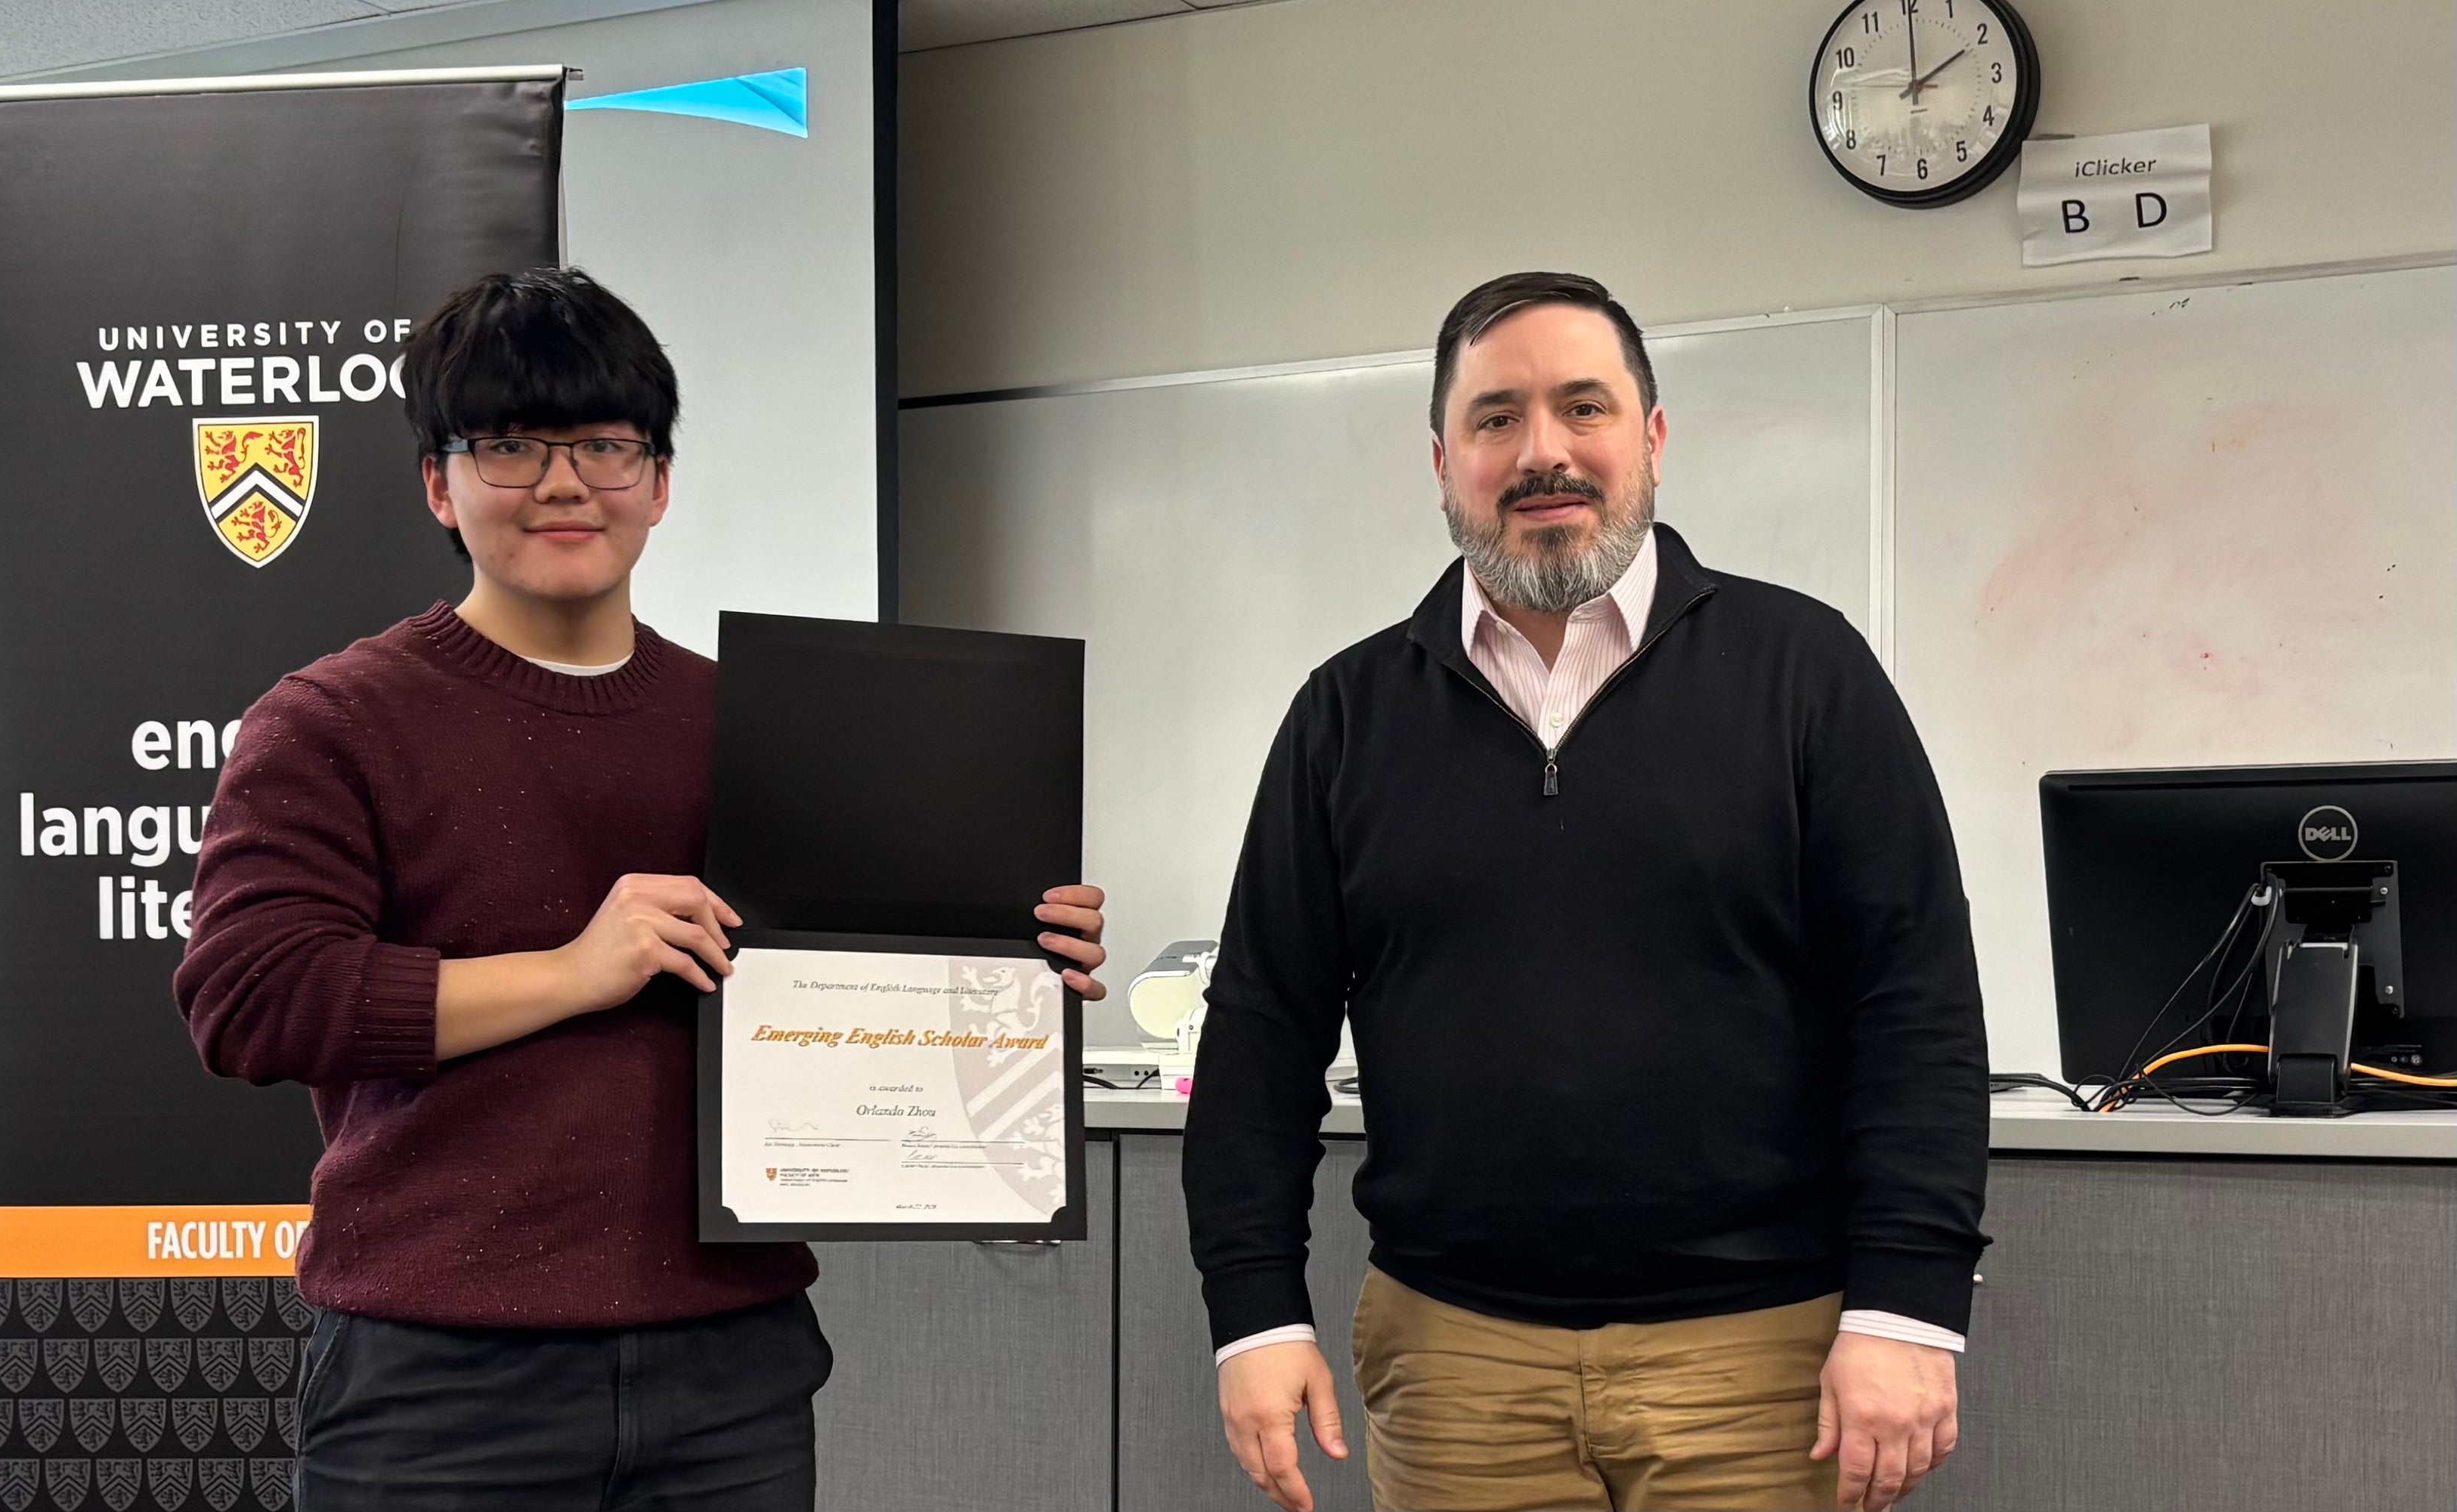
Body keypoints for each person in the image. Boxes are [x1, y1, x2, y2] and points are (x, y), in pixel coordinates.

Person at [173, 267, 1109, 1510]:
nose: (565, 483)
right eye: (510, 444)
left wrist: (1004, 960)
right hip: (440, 1374)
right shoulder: (334, 717)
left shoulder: (763, 723)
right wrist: (571, 970)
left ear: (658, 481)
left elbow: (841, 991)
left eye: (607, 445)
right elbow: (252, 1001)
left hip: (730, 1364)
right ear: (437, 484)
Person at [1184, 271, 1987, 1512]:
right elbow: (1260, 1032)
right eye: (1495, 418)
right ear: (1442, 458)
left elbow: (1914, 1001)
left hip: (1763, 1359)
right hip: (1452, 1361)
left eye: (1582, 408)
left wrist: (1908, 1305)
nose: (1542, 451)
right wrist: (1252, 1314)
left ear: (1652, 439)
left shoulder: (1804, 671)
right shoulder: (1345, 714)